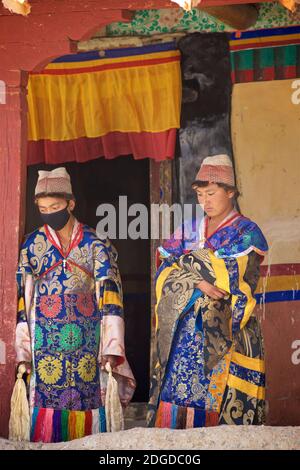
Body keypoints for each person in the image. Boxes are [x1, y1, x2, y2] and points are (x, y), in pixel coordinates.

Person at [15, 167, 136, 442]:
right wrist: (23, 349)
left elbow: (110, 292)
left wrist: (111, 345)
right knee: (48, 398)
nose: (49, 213)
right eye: (43, 208)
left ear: (70, 204)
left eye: (55, 207)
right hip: (46, 336)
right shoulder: (31, 245)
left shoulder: (95, 242)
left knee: (89, 397)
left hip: (88, 334)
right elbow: (24, 297)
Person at [148, 154, 268, 428]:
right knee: (177, 402)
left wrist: (186, 263)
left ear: (231, 192)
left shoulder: (247, 231)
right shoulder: (187, 229)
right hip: (184, 334)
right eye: (201, 194)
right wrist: (198, 281)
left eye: (212, 193)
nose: (205, 201)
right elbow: (164, 269)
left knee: (224, 405)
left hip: (228, 329)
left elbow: (230, 278)